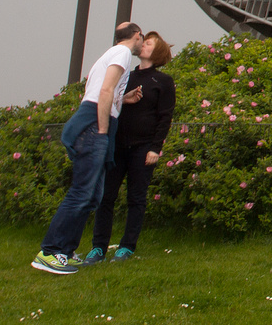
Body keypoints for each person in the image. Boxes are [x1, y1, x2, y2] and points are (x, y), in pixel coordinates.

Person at [31, 23, 144, 274]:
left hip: (96, 122)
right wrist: (103, 132)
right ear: (137, 35)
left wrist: (123, 99)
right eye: (142, 38)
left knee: (93, 196)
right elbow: (104, 91)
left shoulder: (109, 54)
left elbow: (104, 91)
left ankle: (66, 252)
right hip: (95, 125)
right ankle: (50, 252)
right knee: (81, 193)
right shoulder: (122, 53)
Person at [82, 31, 176, 265]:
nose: (143, 45)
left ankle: (126, 247)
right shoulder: (127, 76)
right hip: (117, 144)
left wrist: (155, 148)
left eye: (148, 43)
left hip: (143, 148)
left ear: (157, 51)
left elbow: (165, 117)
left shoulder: (163, 81)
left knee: (136, 197)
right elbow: (111, 100)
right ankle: (98, 248)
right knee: (106, 196)